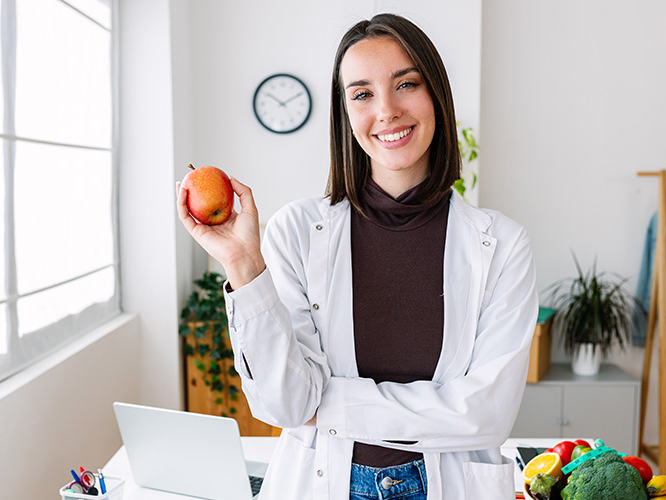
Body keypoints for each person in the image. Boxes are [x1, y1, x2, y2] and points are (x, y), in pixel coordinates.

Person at [177, 13, 538, 500]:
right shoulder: (296, 232)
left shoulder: (504, 245)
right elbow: (286, 405)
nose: (386, 110)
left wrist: (326, 406)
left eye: (406, 84)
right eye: (363, 93)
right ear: (345, 113)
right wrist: (244, 266)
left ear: (436, 95)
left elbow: (487, 415)